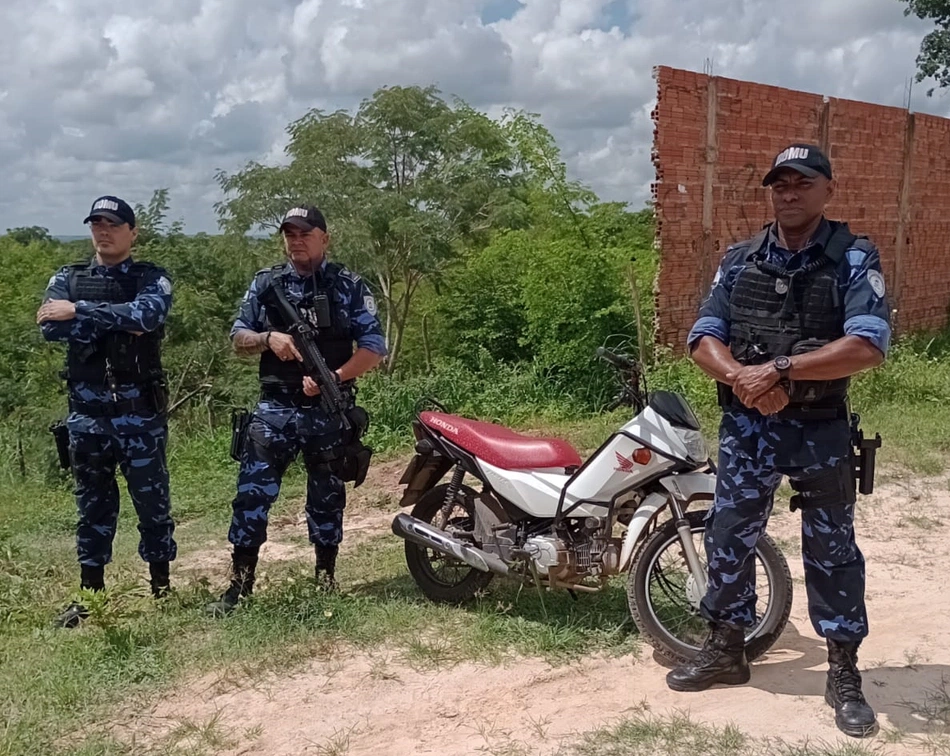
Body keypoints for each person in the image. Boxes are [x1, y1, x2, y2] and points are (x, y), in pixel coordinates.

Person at [666, 144, 891, 739]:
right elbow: (702, 337)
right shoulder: (740, 260)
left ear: (826, 190)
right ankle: (727, 647)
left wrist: (783, 370)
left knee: (832, 549)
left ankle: (843, 670)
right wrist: (741, 376)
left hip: (818, 427)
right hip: (749, 426)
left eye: (802, 183)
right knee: (728, 534)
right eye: (779, 184)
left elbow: (867, 344)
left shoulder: (852, 256)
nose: (789, 193)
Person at [206, 204, 386, 616]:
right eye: (289, 233)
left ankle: (326, 579)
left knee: (327, 496)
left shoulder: (348, 286)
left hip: (326, 408)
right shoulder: (266, 284)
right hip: (275, 408)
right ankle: (239, 586)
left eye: (305, 233)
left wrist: (334, 377)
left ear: (325, 237)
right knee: (252, 496)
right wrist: (268, 339)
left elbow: (374, 349)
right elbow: (237, 337)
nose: (296, 240)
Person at [37, 196, 177, 627]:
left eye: (113, 224)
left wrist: (80, 310)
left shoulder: (151, 277)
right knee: (92, 507)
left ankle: (161, 589)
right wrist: (114, 317)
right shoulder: (68, 277)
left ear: (132, 232)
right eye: (96, 224)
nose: (103, 231)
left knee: (152, 504)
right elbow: (49, 326)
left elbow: (146, 317)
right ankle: (90, 596)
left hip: (139, 414)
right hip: (88, 416)